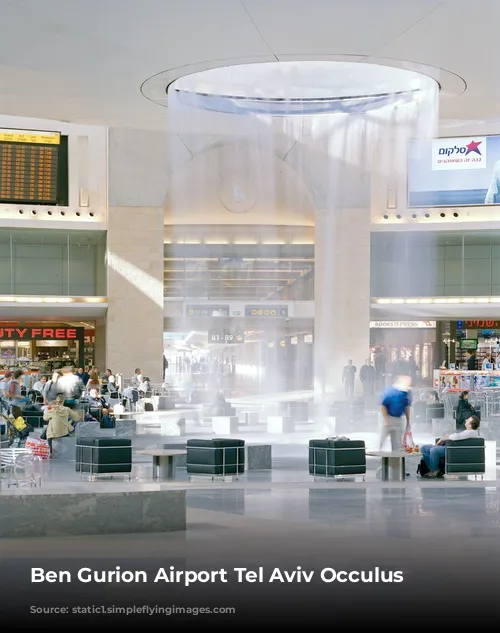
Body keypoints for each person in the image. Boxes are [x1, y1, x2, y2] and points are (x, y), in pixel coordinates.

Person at [379, 375, 412, 451]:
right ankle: (380, 455)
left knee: (397, 442)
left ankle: (396, 459)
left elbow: (407, 407)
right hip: (390, 417)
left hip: (399, 419)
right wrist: (386, 419)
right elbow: (383, 405)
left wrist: (408, 421)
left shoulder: (405, 393)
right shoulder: (390, 392)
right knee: (382, 440)